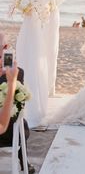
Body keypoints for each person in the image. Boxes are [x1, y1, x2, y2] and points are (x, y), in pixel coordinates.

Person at [0, 33, 35, 174]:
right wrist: (11, 81)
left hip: (4, 128)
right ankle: (23, 160)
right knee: (20, 123)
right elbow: (18, 108)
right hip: (6, 132)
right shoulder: (17, 74)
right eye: (5, 47)